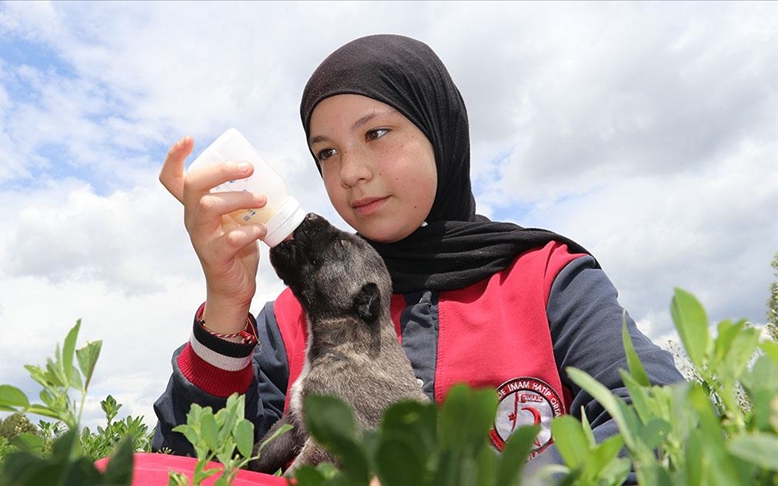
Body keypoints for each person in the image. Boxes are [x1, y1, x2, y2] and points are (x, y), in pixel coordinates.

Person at [152, 33, 683, 476]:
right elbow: (189, 465)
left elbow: (661, 423)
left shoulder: (545, 278)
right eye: (326, 153)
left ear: (438, 130)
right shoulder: (294, 318)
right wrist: (226, 306)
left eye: (377, 133)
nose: (350, 172)